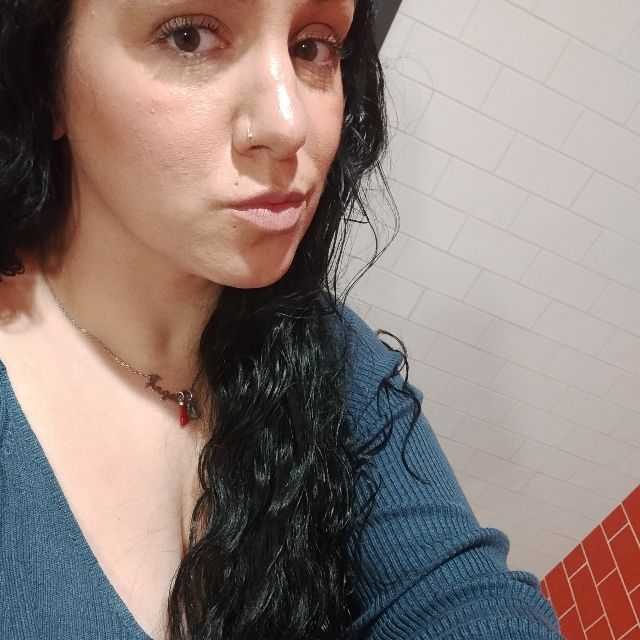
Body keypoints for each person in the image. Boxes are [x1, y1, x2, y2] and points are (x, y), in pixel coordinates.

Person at [0, 1, 564, 638]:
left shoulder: (326, 346)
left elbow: (453, 592)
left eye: (313, 47)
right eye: (189, 37)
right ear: (46, 77)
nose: (290, 123)